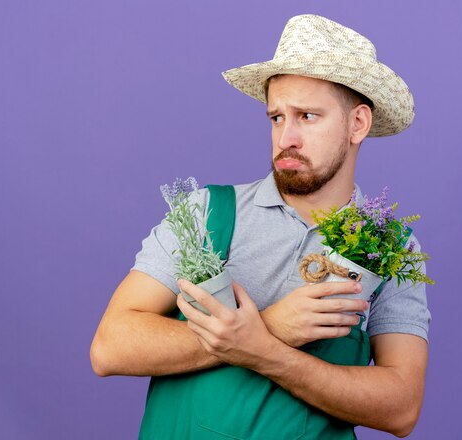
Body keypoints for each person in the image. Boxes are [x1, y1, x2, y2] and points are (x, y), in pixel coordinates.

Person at [91, 14, 431, 439]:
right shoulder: (206, 213)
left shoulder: (390, 249)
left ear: (357, 124)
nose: (286, 137)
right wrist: (272, 325)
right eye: (276, 117)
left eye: (307, 116)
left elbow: (400, 409)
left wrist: (266, 351)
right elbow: (110, 347)